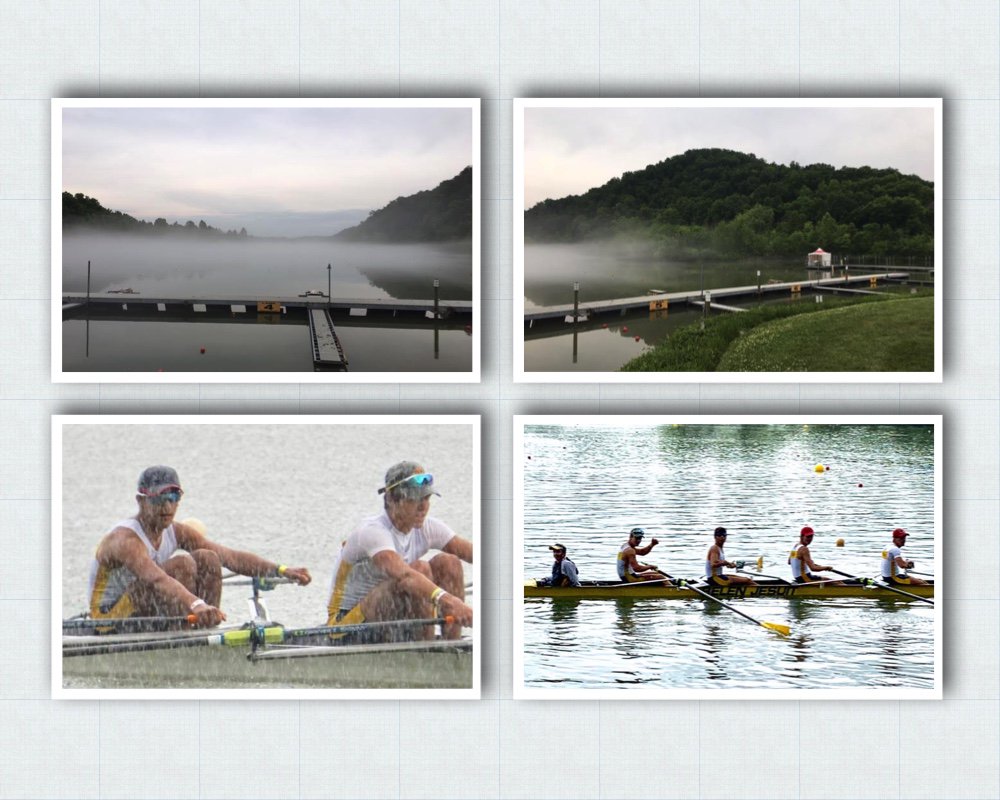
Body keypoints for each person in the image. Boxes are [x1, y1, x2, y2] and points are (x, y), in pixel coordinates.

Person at [87, 466, 312, 628]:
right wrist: (195, 603)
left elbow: (230, 557)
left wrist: (280, 570)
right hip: (109, 619)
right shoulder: (125, 540)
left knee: (208, 557)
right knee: (182, 565)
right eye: (158, 499)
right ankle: (183, 634)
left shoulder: (175, 531)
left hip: (142, 609)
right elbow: (156, 579)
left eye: (173, 497)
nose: (167, 506)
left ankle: (205, 626)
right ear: (141, 501)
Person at [326, 461, 473, 641]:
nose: (423, 506)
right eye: (414, 499)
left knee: (449, 563)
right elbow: (406, 576)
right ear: (391, 499)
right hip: (347, 625)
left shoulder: (428, 527)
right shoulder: (372, 532)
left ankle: (453, 645)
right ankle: (426, 648)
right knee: (419, 570)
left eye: (426, 498)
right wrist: (450, 602)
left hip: (388, 618)